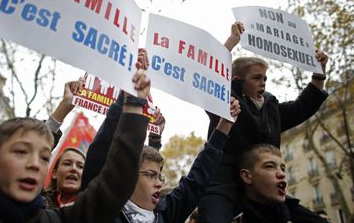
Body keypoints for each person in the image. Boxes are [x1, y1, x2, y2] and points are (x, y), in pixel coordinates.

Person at [0, 0, 152, 223]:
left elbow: (114, 185)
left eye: (44, 157)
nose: (34, 164)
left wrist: (134, 102)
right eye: (21, 152)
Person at [198, 22, 329, 223]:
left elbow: (302, 107)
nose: (263, 83)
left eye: (265, 78)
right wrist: (232, 41)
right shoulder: (226, 102)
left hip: (264, 189)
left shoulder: (271, 107)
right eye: (256, 78)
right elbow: (211, 79)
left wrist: (319, 74)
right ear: (237, 81)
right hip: (225, 187)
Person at [81, 87, 241, 223]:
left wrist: (224, 126)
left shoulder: (165, 215)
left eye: (159, 177)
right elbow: (100, 152)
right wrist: (127, 97)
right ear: (127, 177)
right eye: (150, 175)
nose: (159, 183)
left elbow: (198, 179)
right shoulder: (102, 208)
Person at [237, 144, 328, 223]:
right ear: (247, 176)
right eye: (270, 166)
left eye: (283, 168)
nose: (282, 174)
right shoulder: (231, 215)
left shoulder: (292, 211)